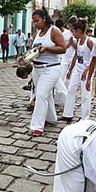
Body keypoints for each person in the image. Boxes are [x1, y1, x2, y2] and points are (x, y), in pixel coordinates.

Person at [29, 8, 66, 136]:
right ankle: (51, 118)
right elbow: (32, 51)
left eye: (37, 21)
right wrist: (24, 57)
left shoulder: (54, 31)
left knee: (41, 95)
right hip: (37, 69)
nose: (35, 24)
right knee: (46, 95)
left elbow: (63, 48)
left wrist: (47, 49)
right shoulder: (37, 34)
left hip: (51, 68)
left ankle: (37, 126)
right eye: (34, 22)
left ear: (44, 19)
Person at [60, 19, 94, 122]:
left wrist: (87, 70)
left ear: (79, 31)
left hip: (86, 70)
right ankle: (68, 113)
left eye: (74, 31)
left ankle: (85, 119)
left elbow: (95, 58)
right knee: (70, 90)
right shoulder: (79, 41)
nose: (73, 34)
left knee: (85, 95)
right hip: (77, 69)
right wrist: (70, 69)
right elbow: (76, 55)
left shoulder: (89, 41)